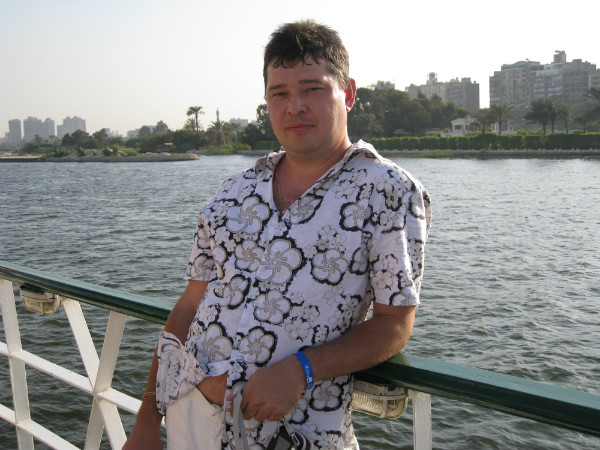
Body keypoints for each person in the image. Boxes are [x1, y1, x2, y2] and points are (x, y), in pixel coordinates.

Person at [123, 19, 431, 450]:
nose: (295, 106)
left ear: (348, 93)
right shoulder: (234, 190)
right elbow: (190, 305)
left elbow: (395, 323)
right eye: (279, 93)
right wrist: (145, 420)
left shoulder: (388, 192)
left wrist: (301, 369)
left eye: (313, 89)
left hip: (290, 431)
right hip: (187, 412)